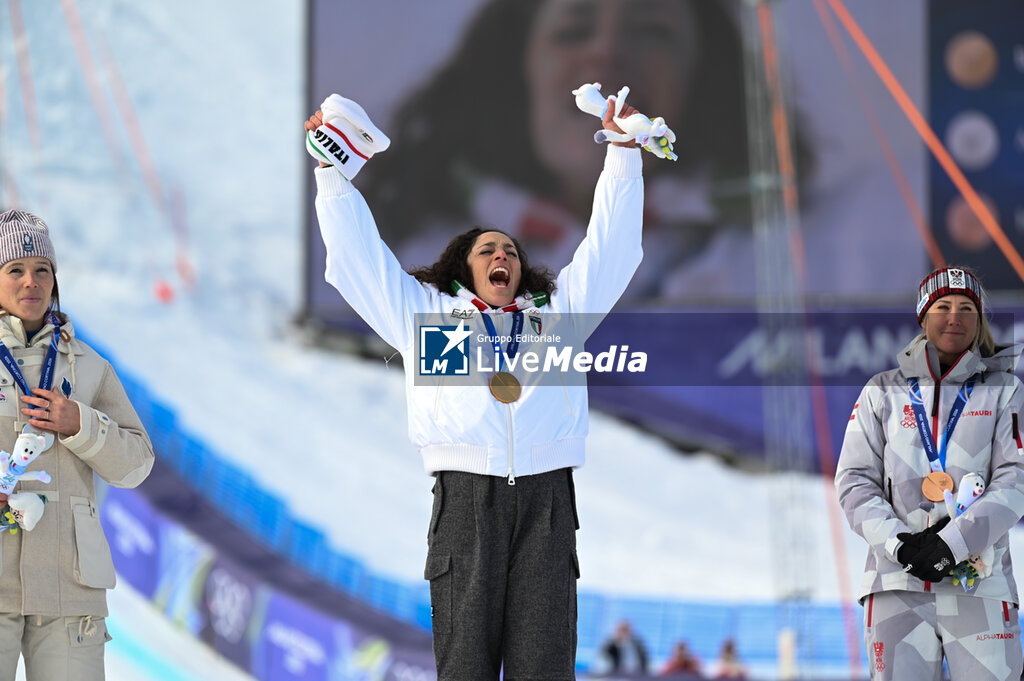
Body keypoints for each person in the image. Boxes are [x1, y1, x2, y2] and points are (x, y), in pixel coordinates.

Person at [306, 85, 643, 680]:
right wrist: (333, 180)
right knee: (465, 667)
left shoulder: (558, 318)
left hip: (547, 499)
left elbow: (610, 252)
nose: (502, 255)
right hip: (465, 499)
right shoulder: (430, 321)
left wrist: (623, 153)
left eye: (510, 250)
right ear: (464, 267)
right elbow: (360, 266)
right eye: (487, 249)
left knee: (544, 668)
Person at [353, 0, 791, 303]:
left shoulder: (802, 241)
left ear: (704, 72)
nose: (605, 54)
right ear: (517, 67)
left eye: (653, 31)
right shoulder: (411, 253)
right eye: (573, 31)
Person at [835, 266, 1024, 681]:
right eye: (942, 306)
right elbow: (853, 482)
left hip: (980, 585)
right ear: (923, 316)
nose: (953, 316)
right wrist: (899, 544)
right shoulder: (880, 391)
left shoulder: (1006, 390)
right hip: (896, 587)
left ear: (978, 322)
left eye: (965, 308)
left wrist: (951, 545)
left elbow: (1016, 480)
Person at [0, 210, 154, 681]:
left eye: (43, 270)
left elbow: (137, 465)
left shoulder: (89, 367)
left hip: (70, 591)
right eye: (15, 270)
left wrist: (80, 424)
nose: (32, 282)